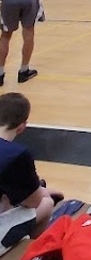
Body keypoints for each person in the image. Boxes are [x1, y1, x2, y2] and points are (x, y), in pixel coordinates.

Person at [0, 93, 59, 225]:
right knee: (47, 203)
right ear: (22, 127)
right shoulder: (16, 155)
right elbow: (33, 202)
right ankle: (29, 244)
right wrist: (43, 192)